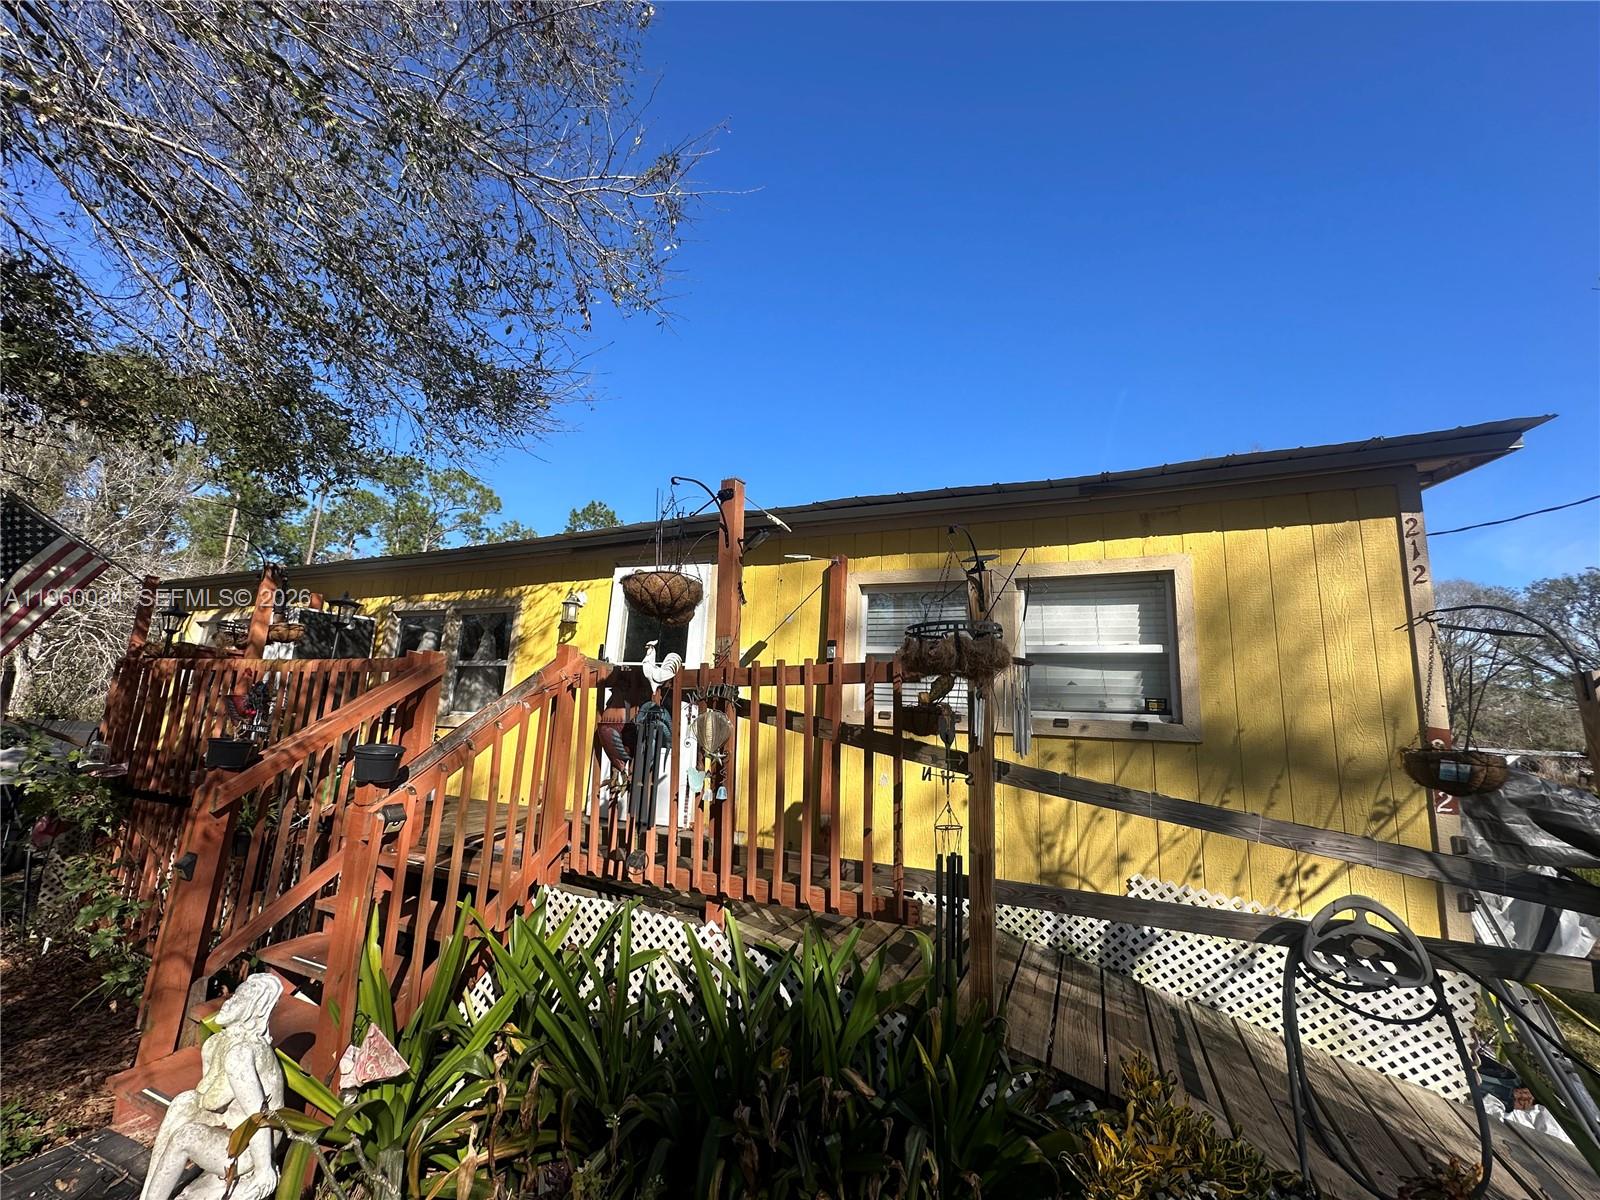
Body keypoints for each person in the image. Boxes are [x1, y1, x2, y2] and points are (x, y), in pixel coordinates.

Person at [140, 973, 284, 1200]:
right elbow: (208, 1100)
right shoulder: (215, 1043)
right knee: (182, 1102)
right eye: (234, 997)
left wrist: (263, 1169)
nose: (228, 1003)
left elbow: (258, 1117)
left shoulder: (242, 1054)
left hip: (248, 1147)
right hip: (228, 1124)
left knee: (186, 1136)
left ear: (253, 1011)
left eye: (239, 1000)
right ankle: (149, 1195)